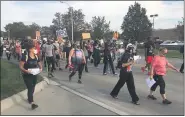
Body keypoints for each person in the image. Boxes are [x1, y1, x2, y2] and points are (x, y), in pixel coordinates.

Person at [19, 40, 42, 110]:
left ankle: (29, 98)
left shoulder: (36, 56)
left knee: (33, 86)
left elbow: (39, 62)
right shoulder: (25, 56)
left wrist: (41, 68)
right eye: (34, 48)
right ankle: (32, 103)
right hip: (26, 75)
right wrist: (26, 70)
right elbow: (20, 66)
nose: (35, 49)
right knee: (30, 87)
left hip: (34, 74)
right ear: (30, 49)